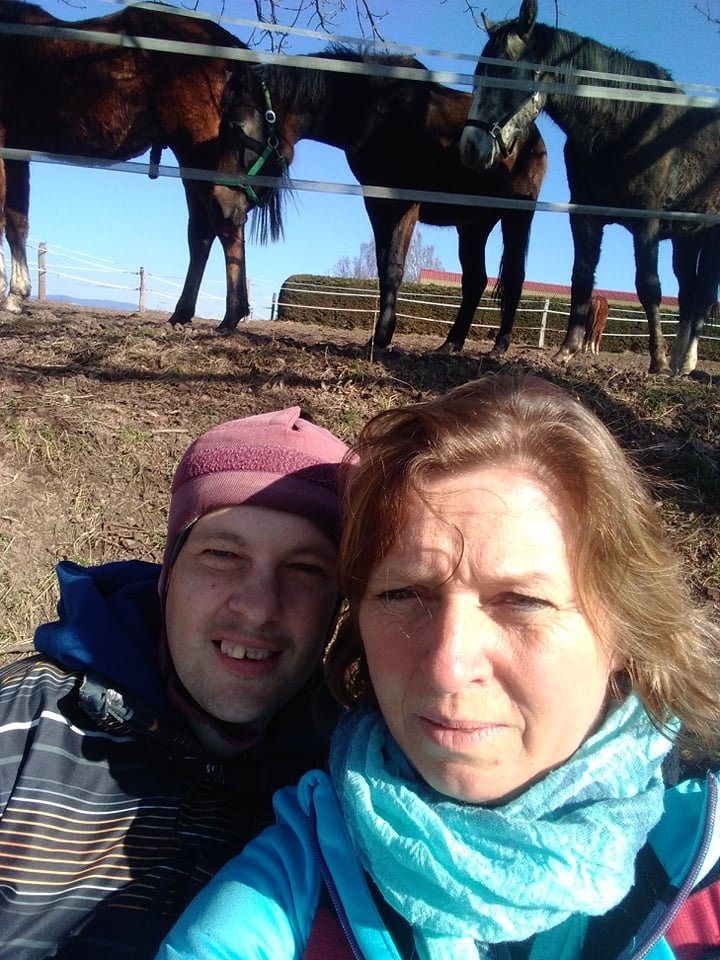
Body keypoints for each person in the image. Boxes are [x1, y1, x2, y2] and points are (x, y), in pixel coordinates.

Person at [156, 374, 720, 960]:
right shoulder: (292, 884)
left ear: (625, 628)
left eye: (521, 601)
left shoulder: (703, 864)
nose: (448, 667)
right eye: (404, 594)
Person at [0, 406, 350, 959]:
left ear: (337, 608)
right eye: (222, 555)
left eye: (306, 568)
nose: (259, 607)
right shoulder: (22, 722)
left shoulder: (345, 791)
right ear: (168, 574)